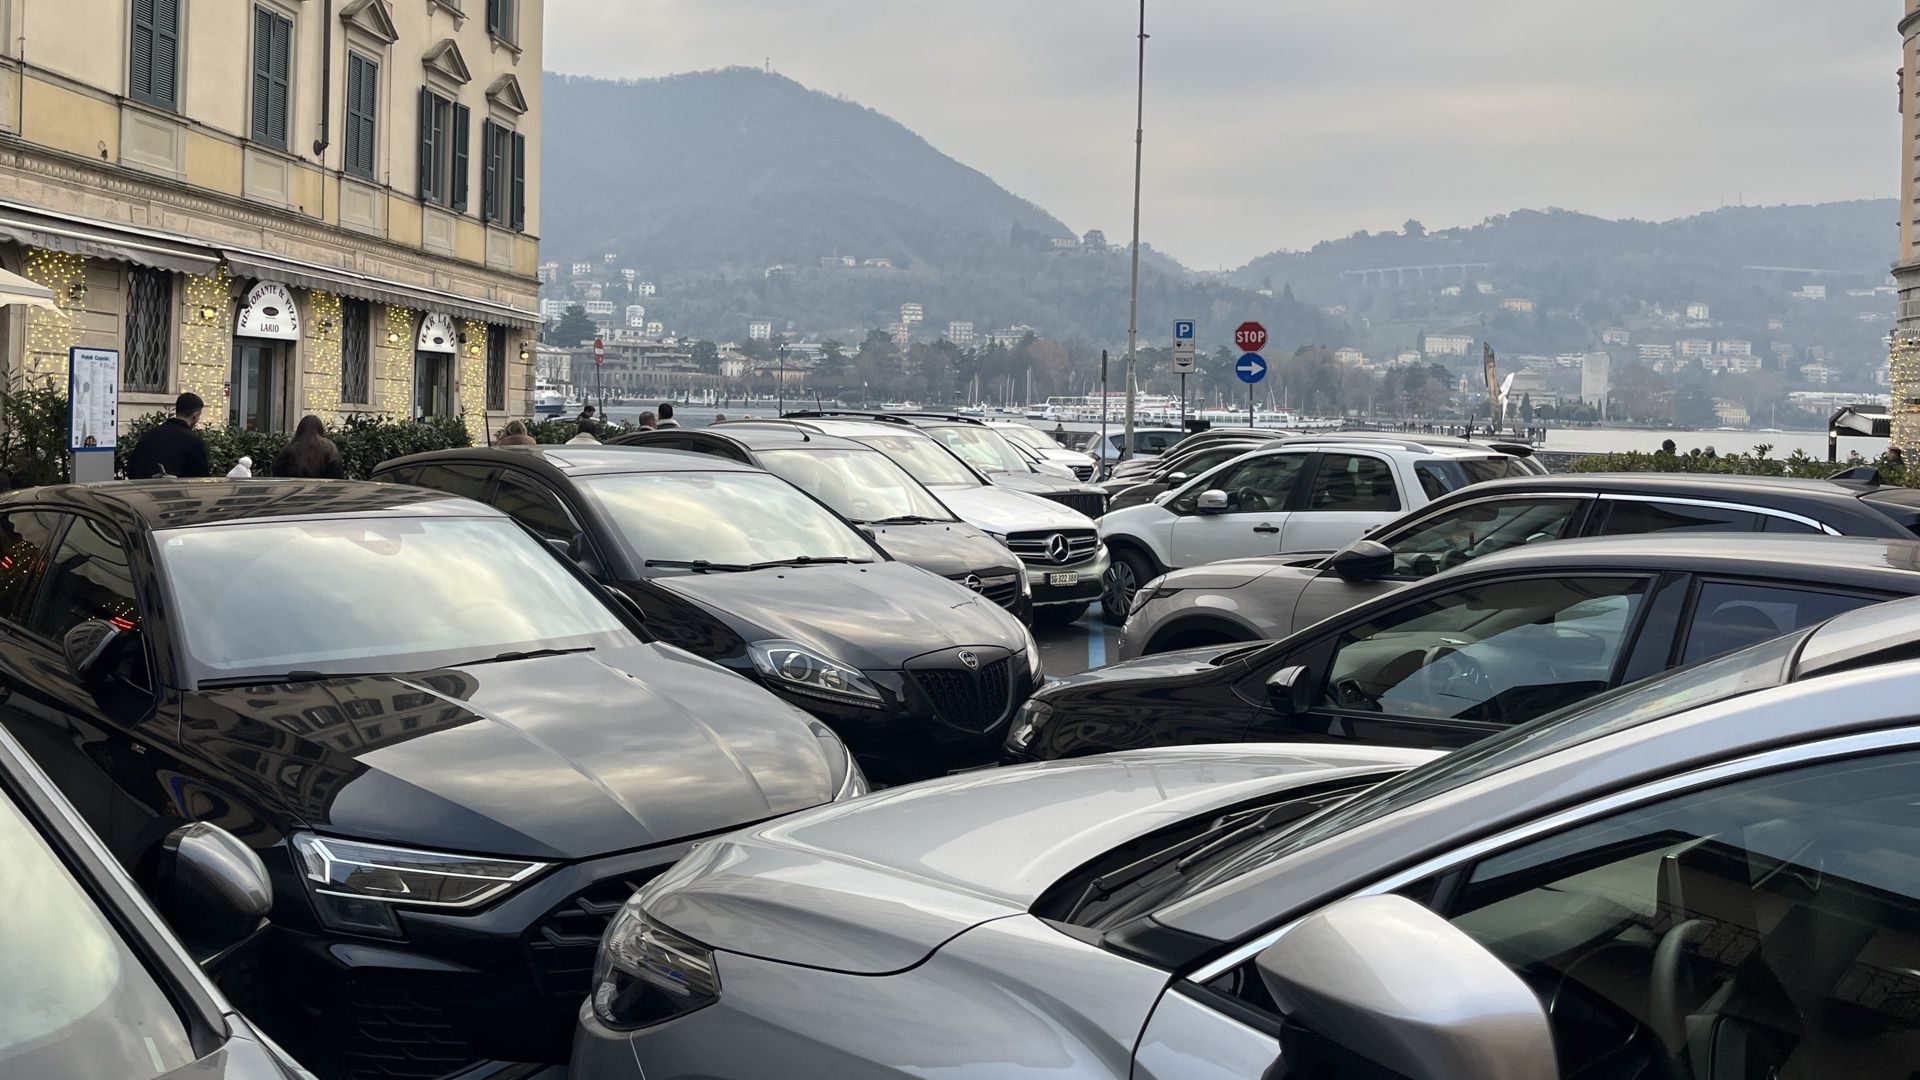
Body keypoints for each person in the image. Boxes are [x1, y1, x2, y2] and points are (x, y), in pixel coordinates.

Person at [127, 392, 211, 479]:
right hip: (177, 487)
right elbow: (201, 478)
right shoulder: (193, 442)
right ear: (195, 415)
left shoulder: (149, 435)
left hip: (143, 486)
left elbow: (132, 469)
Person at [272, 415, 346, 479]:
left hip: (293, 490)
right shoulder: (331, 450)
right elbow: (337, 477)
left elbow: (278, 475)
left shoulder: (289, 450)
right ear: (321, 430)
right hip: (323, 490)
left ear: (300, 430)